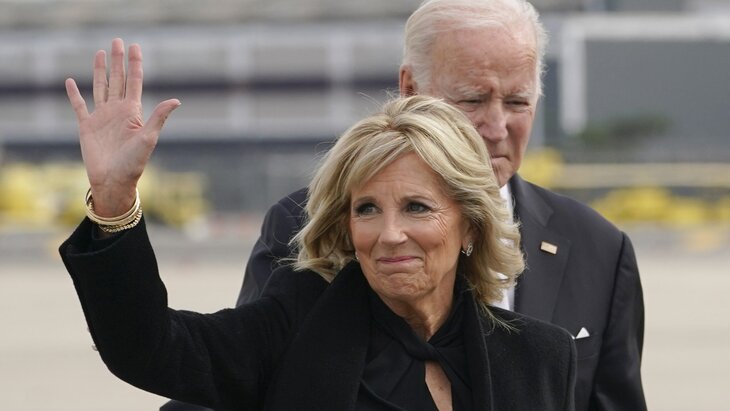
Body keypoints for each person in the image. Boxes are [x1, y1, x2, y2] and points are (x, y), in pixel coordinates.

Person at [60, 38, 576, 410]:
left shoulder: (539, 357)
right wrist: (114, 201)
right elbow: (151, 348)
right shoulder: (297, 321)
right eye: (366, 209)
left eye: (417, 207)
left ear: (471, 226)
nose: (388, 234)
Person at [229, 1, 647, 411]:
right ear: (410, 90)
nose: (496, 127)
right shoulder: (303, 227)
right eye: (472, 101)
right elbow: (239, 385)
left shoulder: (600, 250)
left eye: (517, 102)